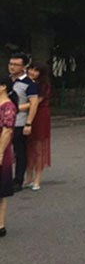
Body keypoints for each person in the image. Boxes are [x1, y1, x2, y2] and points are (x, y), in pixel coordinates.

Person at [8, 53, 37, 191]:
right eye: (11, 64)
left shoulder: (29, 84)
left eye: (16, 65)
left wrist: (28, 123)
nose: (12, 67)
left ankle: (18, 180)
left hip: (19, 122)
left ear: (24, 67)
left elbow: (34, 103)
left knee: (19, 152)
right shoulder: (6, 81)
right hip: (4, 121)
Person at [24, 62, 52, 191]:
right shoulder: (25, 82)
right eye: (31, 69)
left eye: (36, 71)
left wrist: (17, 107)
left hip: (40, 116)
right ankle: (28, 177)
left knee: (38, 148)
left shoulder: (44, 86)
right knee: (27, 147)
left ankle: (37, 178)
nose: (32, 72)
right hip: (26, 115)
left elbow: (36, 102)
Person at [0, 76, 17, 236]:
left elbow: (7, 130)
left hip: (1, 150)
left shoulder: (8, 107)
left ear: (3, 86)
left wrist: (0, 152)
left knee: (1, 191)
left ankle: (1, 224)